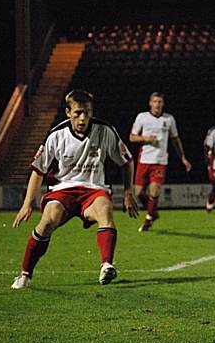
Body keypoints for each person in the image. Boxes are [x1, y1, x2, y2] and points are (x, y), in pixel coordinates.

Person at [11, 90, 139, 289]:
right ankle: (25, 274)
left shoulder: (105, 131)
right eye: (78, 113)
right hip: (63, 190)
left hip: (94, 189)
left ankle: (107, 265)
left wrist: (129, 192)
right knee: (46, 222)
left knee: (105, 210)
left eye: (87, 112)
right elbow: (38, 170)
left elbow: (127, 161)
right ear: (68, 112)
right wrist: (27, 203)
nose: (83, 118)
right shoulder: (56, 135)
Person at [129, 92, 191, 232]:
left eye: (160, 102)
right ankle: (153, 212)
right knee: (138, 193)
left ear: (163, 104)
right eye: (155, 101)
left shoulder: (169, 119)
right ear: (150, 103)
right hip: (144, 160)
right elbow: (132, 137)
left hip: (160, 161)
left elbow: (175, 139)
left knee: (155, 190)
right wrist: (146, 139)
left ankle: (148, 219)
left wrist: (183, 157)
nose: (157, 104)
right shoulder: (142, 117)